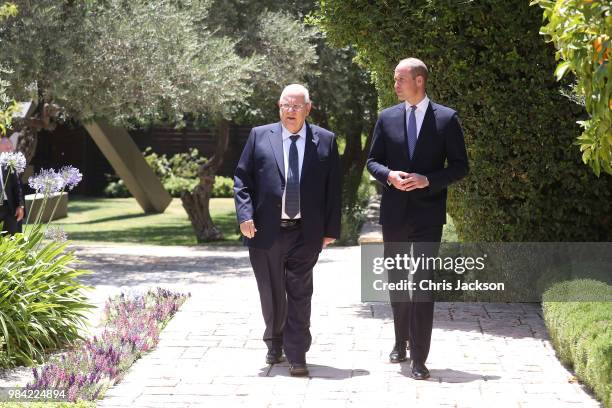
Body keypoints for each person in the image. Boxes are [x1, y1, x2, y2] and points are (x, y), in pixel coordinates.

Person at [366, 58, 468, 380]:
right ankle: (400, 342)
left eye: (400, 79)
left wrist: (428, 180)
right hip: (394, 213)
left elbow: (460, 166)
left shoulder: (447, 119)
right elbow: (372, 161)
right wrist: (388, 175)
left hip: (428, 215)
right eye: (394, 79)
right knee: (397, 283)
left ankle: (420, 358)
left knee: (422, 286)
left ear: (419, 81)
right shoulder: (386, 117)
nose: (395, 84)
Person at [234, 84, 341, 376]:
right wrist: (244, 215)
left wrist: (331, 229)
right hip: (264, 231)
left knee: (299, 292)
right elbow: (242, 180)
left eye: (296, 106)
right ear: (279, 107)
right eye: (285, 105)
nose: (290, 111)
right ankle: (274, 340)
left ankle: (297, 354)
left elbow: (334, 189)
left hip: (305, 232)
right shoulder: (259, 135)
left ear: (308, 108)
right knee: (271, 292)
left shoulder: (326, 141)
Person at [0, 137, 25, 235]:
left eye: (11, 146)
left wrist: (20, 205)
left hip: (9, 207)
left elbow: (18, 186)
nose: (10, 148)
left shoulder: (10, 163)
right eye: (6, 146)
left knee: (11, 238)